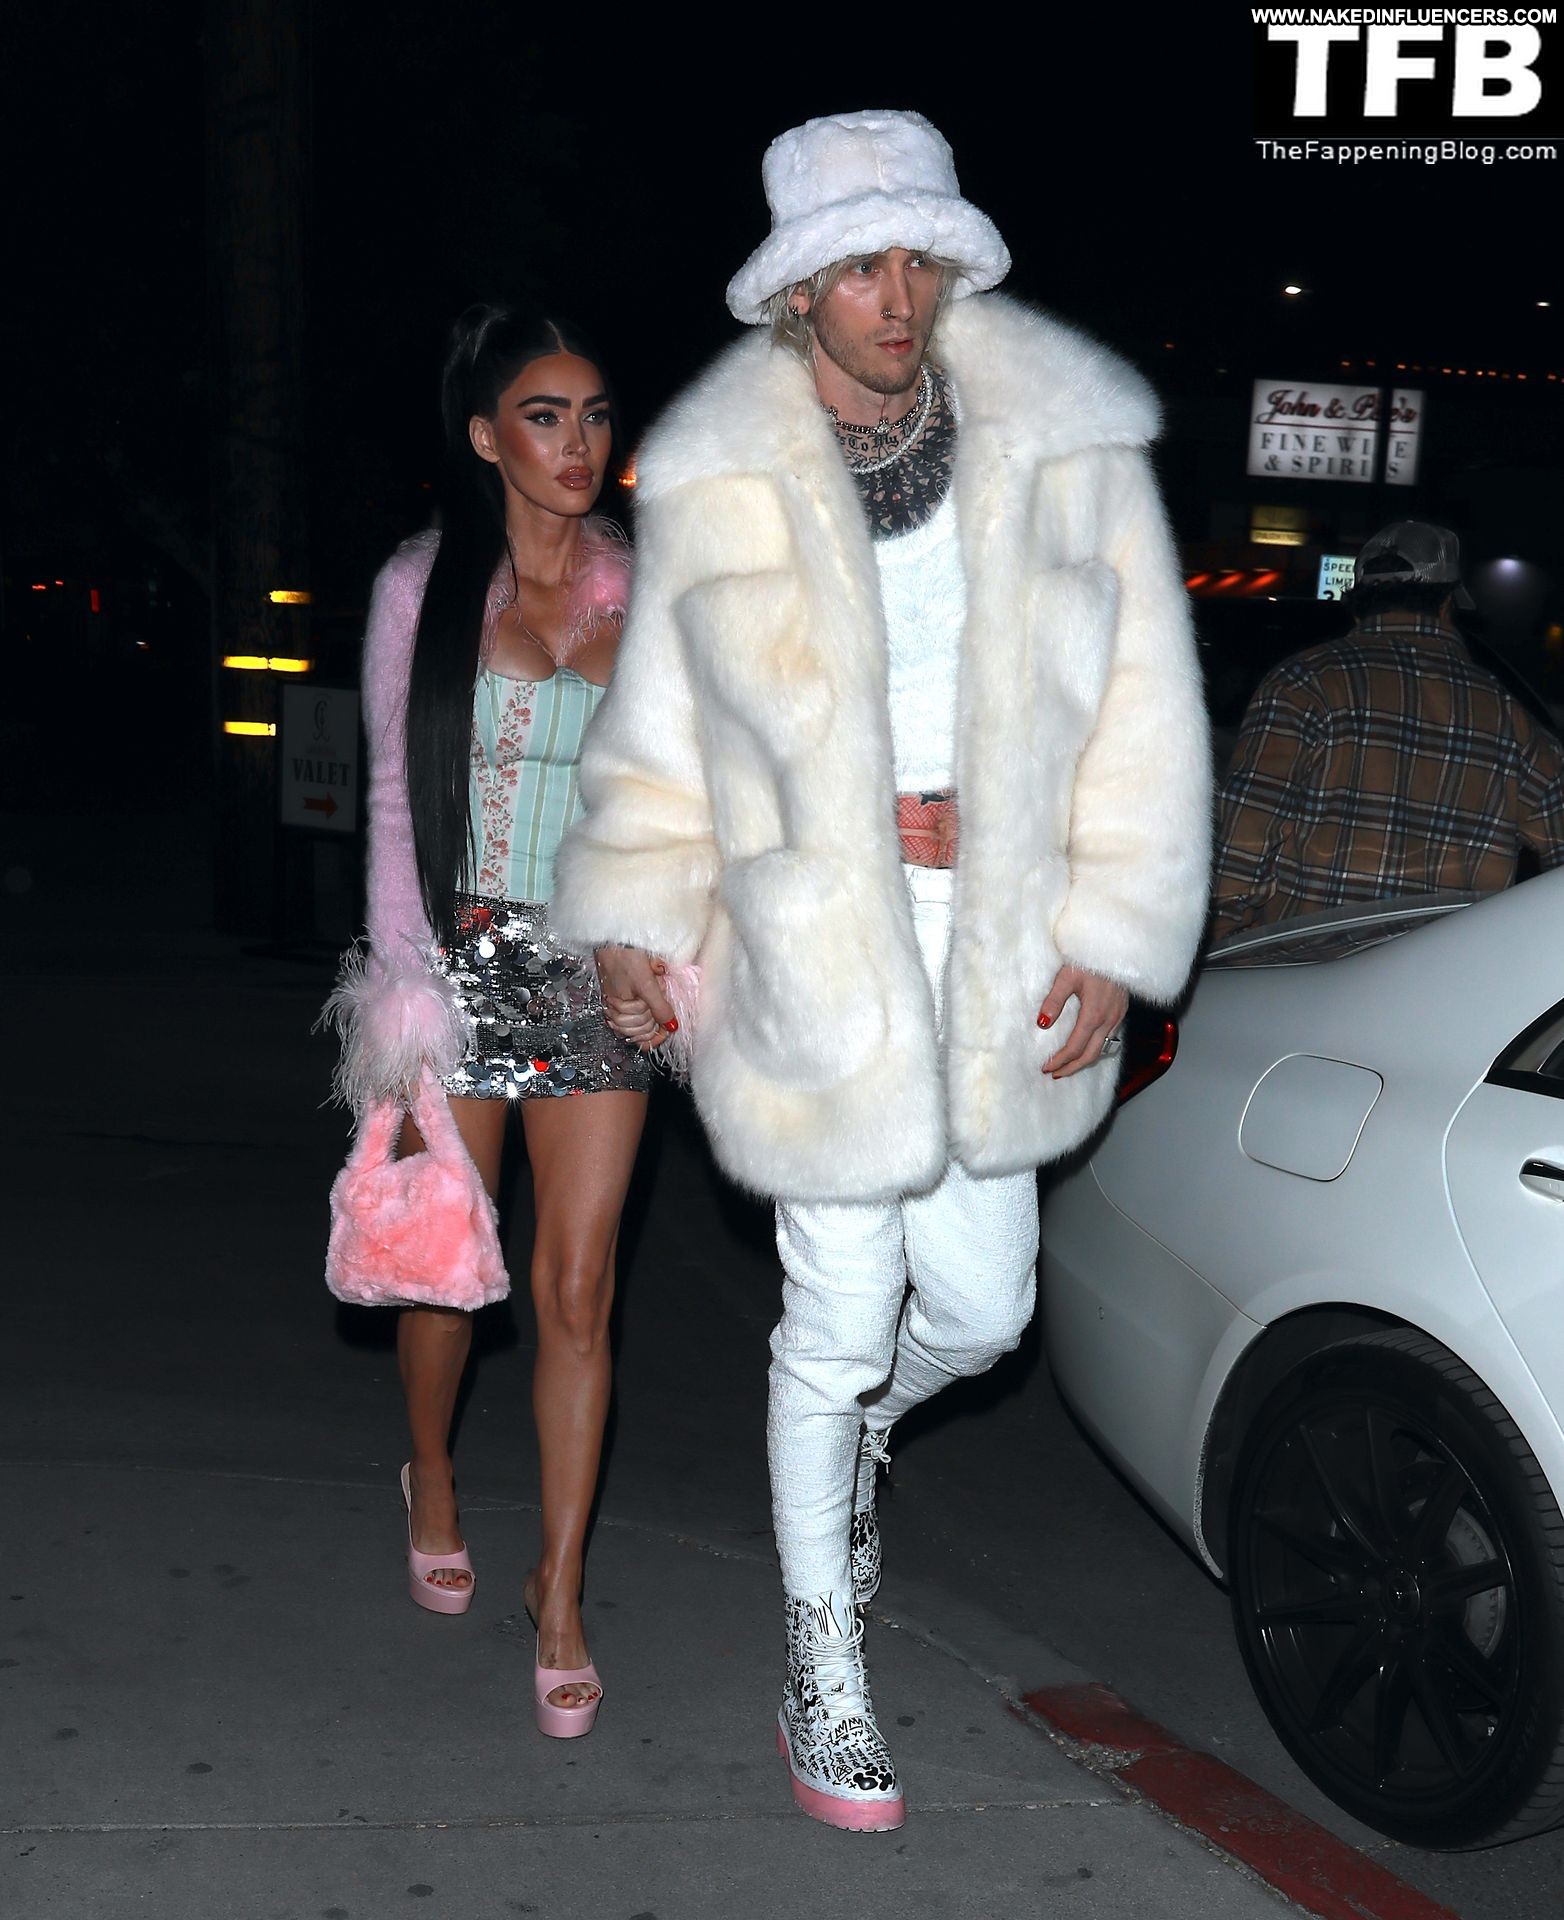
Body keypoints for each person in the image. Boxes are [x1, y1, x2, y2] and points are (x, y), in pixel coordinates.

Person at [550, 110, 1211, 1826]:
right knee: (836, 1318)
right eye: (860, 267)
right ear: (797, 295)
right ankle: (820, 1659)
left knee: (983, 1315)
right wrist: (634, 911)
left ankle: (846, 1454)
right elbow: (661, 725)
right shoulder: (721, 474)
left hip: (996, 936)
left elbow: (1146, 707)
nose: (896, 293)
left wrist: (1116, 933)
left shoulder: (1057, 445)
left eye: (918, 257)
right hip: (807, 940)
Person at [328, 304, 650, 1740]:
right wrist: (403, 993)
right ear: (484, 435)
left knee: (577, 1290)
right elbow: (394, 799)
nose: (578, 443)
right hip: (455, 960)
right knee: (449, 1271)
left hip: (594, 970)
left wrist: (661, 936)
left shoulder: (640, 592)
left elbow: (673, 799)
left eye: (595, 414)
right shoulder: (421, 586)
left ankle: (560, 1591)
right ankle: (435, 1474)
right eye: (544, 415)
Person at [1211, 519, 1564, 945]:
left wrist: (1223, 940)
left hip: (1308, 966)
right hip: (1446, 972)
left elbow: (1245, 836)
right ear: (1447, 604)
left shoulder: (1303, 683)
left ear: (1358, 604)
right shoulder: (1507, 713)